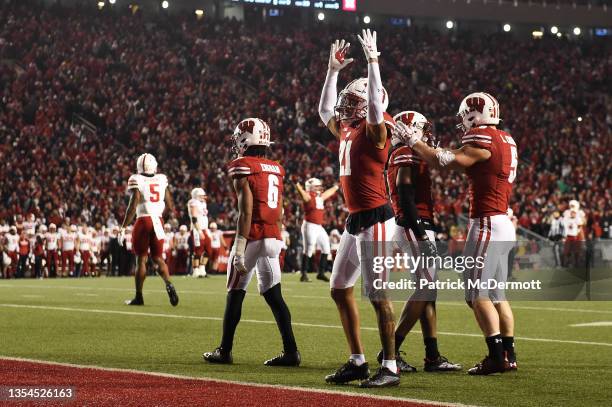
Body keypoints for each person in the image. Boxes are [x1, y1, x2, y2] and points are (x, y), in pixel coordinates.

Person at [396, 91, 518, 375]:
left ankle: (496, 356)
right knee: (495, 292)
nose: (464, 123)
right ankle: (509, 354)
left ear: (475, 115)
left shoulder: (482, 137)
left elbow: (446, 161)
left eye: (466, 117)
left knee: (476, 293)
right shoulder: (506, 139)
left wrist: (415, 142)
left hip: (487, 223)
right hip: (503, 221)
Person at [318, 31, 400, 387]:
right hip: (355, 220)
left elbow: (376, 112)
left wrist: (373, 63)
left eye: (354, 102)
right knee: (339, 289)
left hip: (377, 220)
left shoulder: (375, 132)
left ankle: (391, 367)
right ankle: (357, 360)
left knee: (378, 295)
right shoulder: (349, 131)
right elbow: (324, 110)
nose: (345, 107)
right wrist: (332, 71)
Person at [203, 118, 300, 367]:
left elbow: (245, 212)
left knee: (235, 292)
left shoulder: (243, 165)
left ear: (246, 140)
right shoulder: (276, 168)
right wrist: (278, 235)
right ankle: (291, 351)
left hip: (253, 236)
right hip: (273, 235)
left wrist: (238, 247)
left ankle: (224, 350)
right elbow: (278, 209)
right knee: (274, 295)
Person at [385, 111, 462, 373]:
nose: (427, 134)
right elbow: (405, 193)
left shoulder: (408, 152)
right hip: (411, 225)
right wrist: (419, 233)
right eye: (422, 129)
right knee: (427, 287)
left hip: (416, 224)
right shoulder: (404, 152)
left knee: (430, 292)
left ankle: (432, 356)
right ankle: (390, 350)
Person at [120, 153, 178, 306]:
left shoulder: (136, 179)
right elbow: (170, 205)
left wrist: (123, 226)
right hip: (157, 220)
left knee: (141, 259)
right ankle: (168, 283)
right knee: (158, 258)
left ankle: (139, 296)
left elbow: (133, 205)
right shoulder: (161, 178)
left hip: (143, 220)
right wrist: (159, 216)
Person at [295, 178, 338, 282]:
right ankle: (303, 274)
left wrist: (336, 186)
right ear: (311, 187)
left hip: (319, 226)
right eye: (317, 186)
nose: (319, 188)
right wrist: (297, 185)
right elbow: (302, 194)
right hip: (309, 225)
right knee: (309, 249)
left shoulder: (319, 197)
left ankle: (321, 273)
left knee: (326, 248)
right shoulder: (308, 196)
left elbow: (328, 193)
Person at [188, 188, 210, 277]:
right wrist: (199, 230)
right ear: (196, 195)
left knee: (208, 249)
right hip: (197, 229)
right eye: (202, 195)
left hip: (205, 228)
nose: (204, 197)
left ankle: (202, 269)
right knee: (197, 250)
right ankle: (196, 271)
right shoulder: (193, 202)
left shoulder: (203, 203)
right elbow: (194, 218)